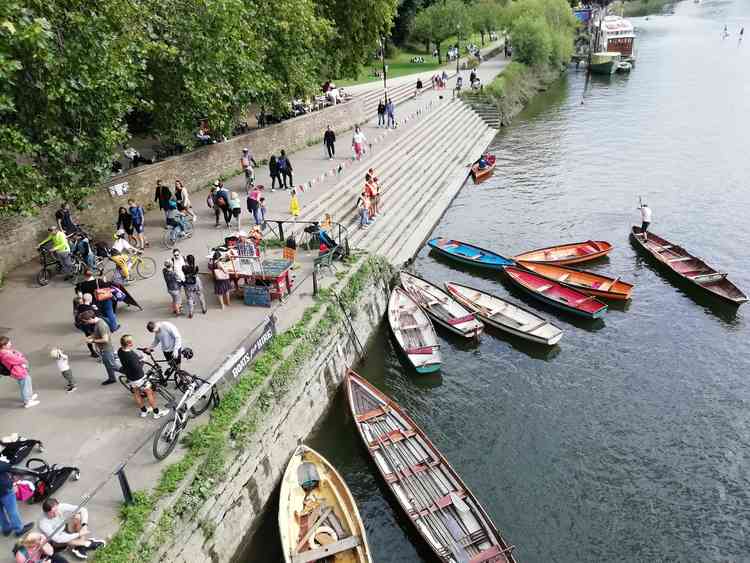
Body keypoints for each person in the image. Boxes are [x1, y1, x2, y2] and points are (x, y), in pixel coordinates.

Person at [117, 335, 170, 419]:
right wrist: (144, 360)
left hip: (130, 378)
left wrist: (139, 359)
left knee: (136, 393)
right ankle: (157, 412)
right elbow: (137, 367)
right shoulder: (130, 355)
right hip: (139, 377)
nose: (132, 342)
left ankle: (143, 411)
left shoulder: (120, 351)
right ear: (129, 343)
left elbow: (131, 362)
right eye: (131, 341)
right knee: (149, 393)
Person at [39, 498, 105, 559]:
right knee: (63, 538)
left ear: (58, 505)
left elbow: (82, 509)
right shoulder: (43, 523)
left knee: (78, 516)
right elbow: (58, 539)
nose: (56, 514)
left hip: (65, 528)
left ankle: (80, 546)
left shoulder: (61, 506)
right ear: (46, 512)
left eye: (56, 510)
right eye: (52, 513)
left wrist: (84, 525)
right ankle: (87, 543)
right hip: (56, 541)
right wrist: (79, 534)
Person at [0, 337, 39, 408]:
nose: (10, 344)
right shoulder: (5, 355)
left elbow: (17, 353)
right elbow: (18, 359)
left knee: (28, 380)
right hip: (18, 371)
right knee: (24, 385)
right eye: (9, 343)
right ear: (4, 346)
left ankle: (29, 396)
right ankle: (27, 401)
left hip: (20, 369)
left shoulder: (6, 351)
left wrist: (18, 355)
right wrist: (22, 358)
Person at [82, 313, 118, 385]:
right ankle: (112, 378)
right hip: (103, 350)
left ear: (90, 319)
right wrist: (90, 336)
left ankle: (131, 374)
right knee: (108, 365)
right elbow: (97, 333)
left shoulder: (101, 325)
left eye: (86, 321)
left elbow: (105, 339)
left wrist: (92, 341)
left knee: (113, 366)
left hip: (106, 349)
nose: (86, 323)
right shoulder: (98, 322)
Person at [182, 255, 207, 319]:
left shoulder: (184, 267)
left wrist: (185, 261)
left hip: (188, 284)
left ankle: (191, 313)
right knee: (200, 295)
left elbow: (184, 269)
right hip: (196, 283)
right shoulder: (196, 267)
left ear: (187, 261)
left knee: (190, 298)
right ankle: (204, 309)